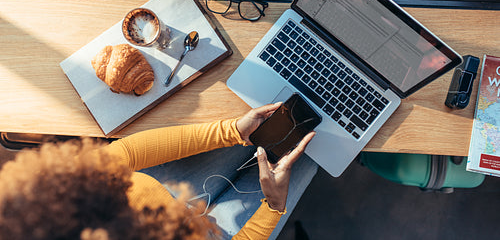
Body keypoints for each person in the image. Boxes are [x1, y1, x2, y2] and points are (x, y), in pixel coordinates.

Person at [0, 103, 315, 239]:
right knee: (314, 150)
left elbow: (128, 153)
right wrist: (274, 206)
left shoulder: (52, 202)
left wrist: (229, 131)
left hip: (167, 187)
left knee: (270, 123)